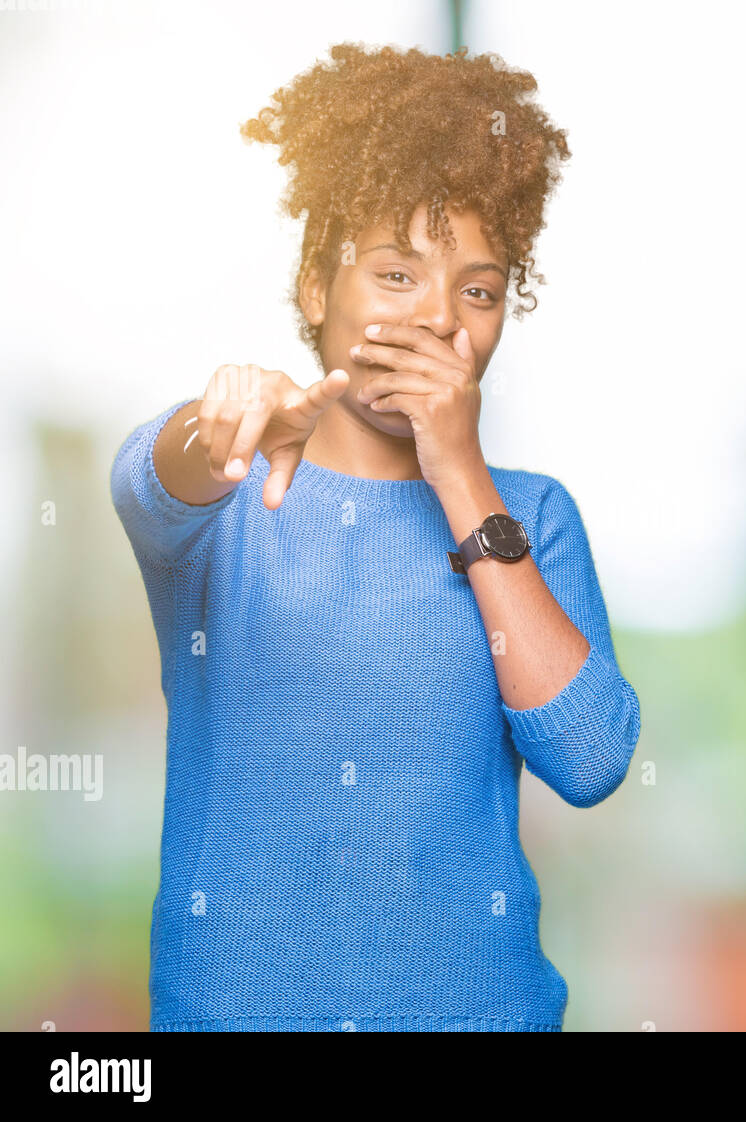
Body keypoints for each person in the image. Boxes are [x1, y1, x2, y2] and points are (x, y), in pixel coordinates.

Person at [109, 43, 640, 1032]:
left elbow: (591, 755)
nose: (438, 318)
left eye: (478, 291)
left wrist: (460, 476)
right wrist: (216, 418)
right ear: (317, 289)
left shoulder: (532, 515)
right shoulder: (223, 492)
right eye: (397, 272)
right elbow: (147, 479)